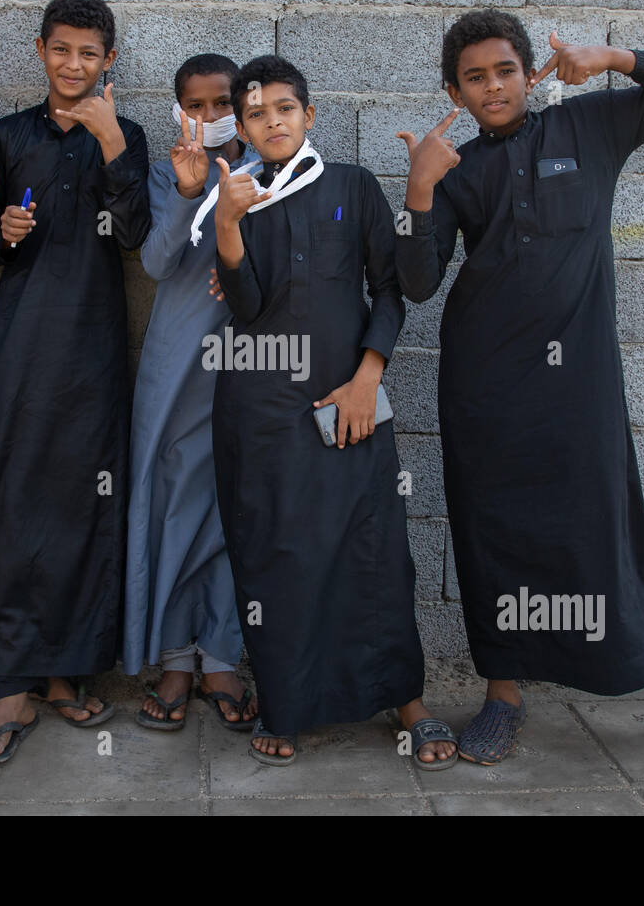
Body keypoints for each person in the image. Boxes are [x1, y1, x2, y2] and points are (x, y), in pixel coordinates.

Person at [395, 9, 644, 774]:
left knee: (613, 531)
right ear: (455, 90)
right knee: (495, 531)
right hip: (484, 387)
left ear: (528, 73)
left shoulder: (589, 128)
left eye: (504, 70)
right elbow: (417, 284)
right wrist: (418, 192)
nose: (492, 87)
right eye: (474, 78)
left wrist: (611, 57)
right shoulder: (457, 168)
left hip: (579, 384)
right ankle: (503, 698)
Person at [209, 55, 457, 768]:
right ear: (244, 126)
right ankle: (288, 702)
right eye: (257, 113)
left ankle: (405, 697)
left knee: (373, 548)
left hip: (349, 400)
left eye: (285, 108)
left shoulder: (350, 185)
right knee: (278, 552)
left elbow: (393, 288)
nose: (273, 122)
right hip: (260, 407)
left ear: (310, 115)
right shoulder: (241, 194)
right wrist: (227, 224)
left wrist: (365, 376)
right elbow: (248, 307)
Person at [0, 0, 150, 765]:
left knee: (83, 506)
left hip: (95, 352)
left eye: (90, 53)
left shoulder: (124, 133)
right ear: (41, 51)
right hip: (20, 350)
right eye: (62, 50)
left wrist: (112, 147)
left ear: (109, 61)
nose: (75, 65)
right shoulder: (9, 136)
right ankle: (13, 682)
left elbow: (135, 235)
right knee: (12, 502)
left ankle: (65, 671)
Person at [125, 54, 261, 732]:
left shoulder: (272, 171)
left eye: (222, 104)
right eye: (196, 106)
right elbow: (156, 262)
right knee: (173, 502)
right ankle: (175, 656)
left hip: (248, 365)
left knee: (232, 509)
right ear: (178, 110)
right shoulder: (166, 172)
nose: (210, 118)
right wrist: (185, 192)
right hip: (177, 365)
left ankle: (222, 655)